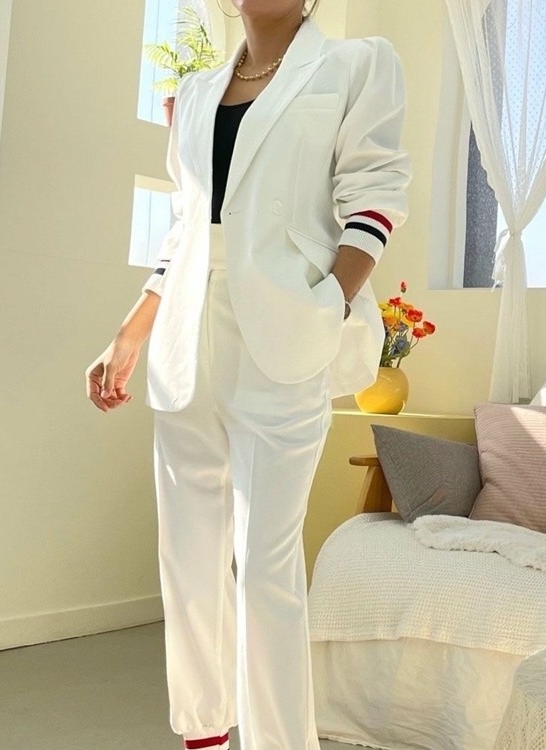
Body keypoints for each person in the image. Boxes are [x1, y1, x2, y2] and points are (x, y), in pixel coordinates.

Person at [85, 1, 412, 748]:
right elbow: (188, 226)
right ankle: (204, 732)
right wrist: (130, 333)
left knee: (265, 563)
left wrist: (329, 304)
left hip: (286, 331)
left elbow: (376, 194)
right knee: (188, 555)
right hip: (186, 335)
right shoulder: (198, 91)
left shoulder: (356, 65)